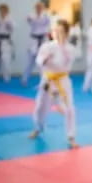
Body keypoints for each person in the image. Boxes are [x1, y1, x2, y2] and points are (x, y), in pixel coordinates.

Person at [29, 19, 79, 148]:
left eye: (61, 31)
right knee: (41, 106)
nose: (57, 34)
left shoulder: (71, 49)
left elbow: (66, 65)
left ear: (67, 33)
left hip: (62, 80)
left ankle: (71, 136)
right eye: (55, 31)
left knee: (69, 109)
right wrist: (44, 60)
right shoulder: (47, 46)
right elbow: (38, 60)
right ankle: (38, 128)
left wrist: (60, 52)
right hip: (48, 79)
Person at [22, 2, 51, 85]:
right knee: (30, 62)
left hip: (42, 40)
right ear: (35, 8)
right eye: (37, 7)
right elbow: (28, 20)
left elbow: (48, 25)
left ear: (43, 8)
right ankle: (24, 79)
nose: (39, 9)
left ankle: (43, 81)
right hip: (33, 40)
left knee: (42, 62)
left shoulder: (46, 16)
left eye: (40, 7)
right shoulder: (31, 16)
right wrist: (33, 19)